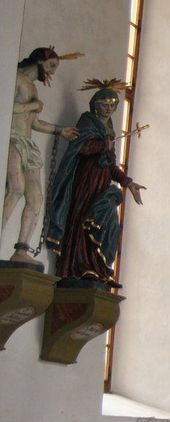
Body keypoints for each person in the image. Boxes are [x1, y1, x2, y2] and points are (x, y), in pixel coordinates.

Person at [43, 79, 145, 287]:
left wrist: (128, 183)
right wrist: (102, 145)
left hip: (102, 183)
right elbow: (80, 148)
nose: (108, 109)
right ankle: (78, 267)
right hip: (86, 182)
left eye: (112, 106)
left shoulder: (109, 131)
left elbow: (111, 166)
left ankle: (99, 268)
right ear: (96, 105)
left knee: (109, 222)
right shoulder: (87, 121)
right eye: (104, 105)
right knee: (83, 220)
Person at [6, 47, 79, 263]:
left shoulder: (33, 88)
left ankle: (21, 250)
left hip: (27, 144)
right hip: (13, 139)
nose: (52, 72)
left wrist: (60, 130)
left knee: (36, 198)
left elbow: (34, 122)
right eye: (51, 65)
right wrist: (32, 105)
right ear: (40, 61)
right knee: (16, 188)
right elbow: (7, 107)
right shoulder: (15, 78)